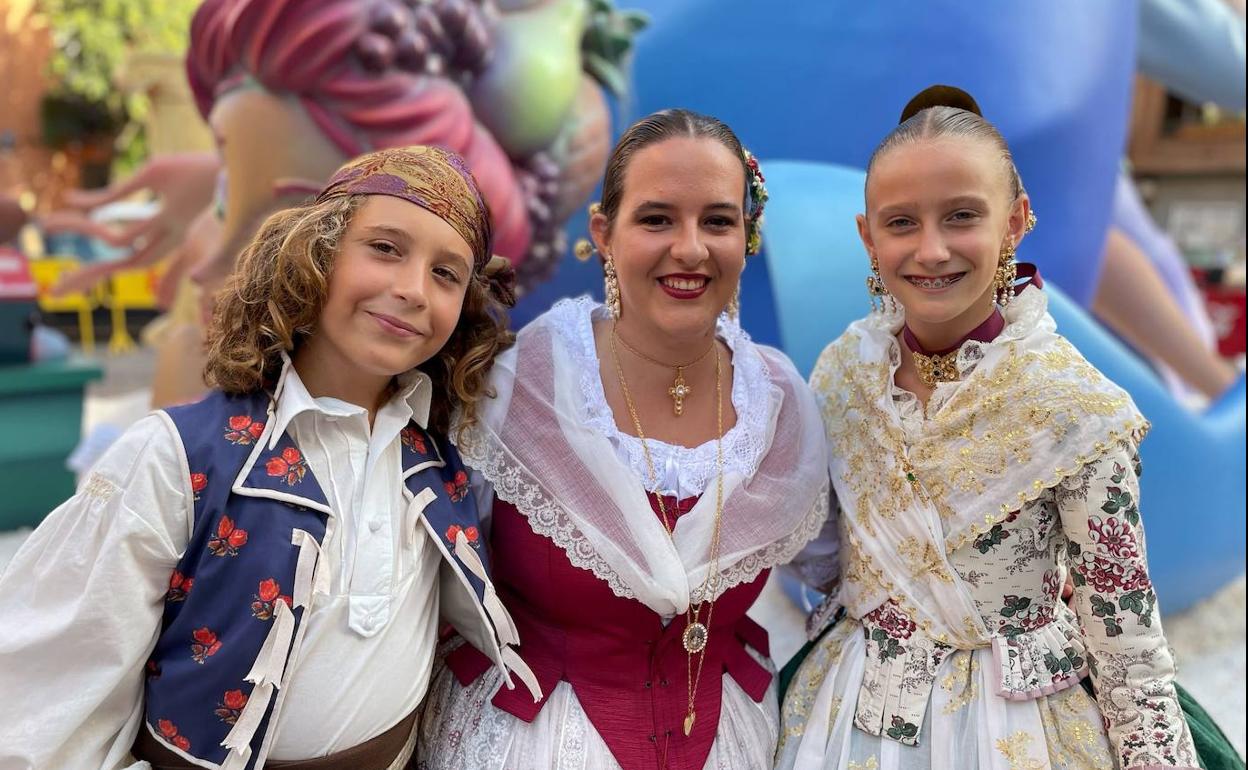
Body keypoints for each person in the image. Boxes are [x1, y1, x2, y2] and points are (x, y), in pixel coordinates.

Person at [0, 146, 537, 770]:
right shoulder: (176, 457)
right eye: (385, 248)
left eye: (446, 273)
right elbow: (52, 685)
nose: (413, 290)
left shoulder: (440, 468)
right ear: (317, 254)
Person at [776, 85, 1215, 770]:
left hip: (1022, 727)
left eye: (961, 217)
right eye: (901, 223)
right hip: (849, 714)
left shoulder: (1075, 406)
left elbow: (1126, 639)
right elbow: (822, 555)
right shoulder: (840, 375)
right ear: (867, 235)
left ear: (1015, 221)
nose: (931, 249)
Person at [416, 109, 830, 769]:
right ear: (604, 233)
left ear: (747, 236)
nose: (690, 248)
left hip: (728, 740)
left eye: (717, 220)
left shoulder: (781, 406)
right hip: (535, 740)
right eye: (657, 218)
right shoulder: (520, 383)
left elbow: (847, 572)